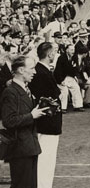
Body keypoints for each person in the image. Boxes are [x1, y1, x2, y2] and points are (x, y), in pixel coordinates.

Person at [1, 55, 48, 188]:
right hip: (20, 148)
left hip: (29, 147)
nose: (35, 72)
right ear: (21, 70)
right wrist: (32, 116)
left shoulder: (24, 89)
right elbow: (8, 121)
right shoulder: (10, 92)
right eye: (32, 68)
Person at [29, 42, 62, 188]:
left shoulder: (40, 71)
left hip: (45, 122)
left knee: (45, 157)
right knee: (46, 158)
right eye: (54, 51)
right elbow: (51, 95)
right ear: (50, 54)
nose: (55, 54)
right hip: (48, 122)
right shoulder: (42, 72)